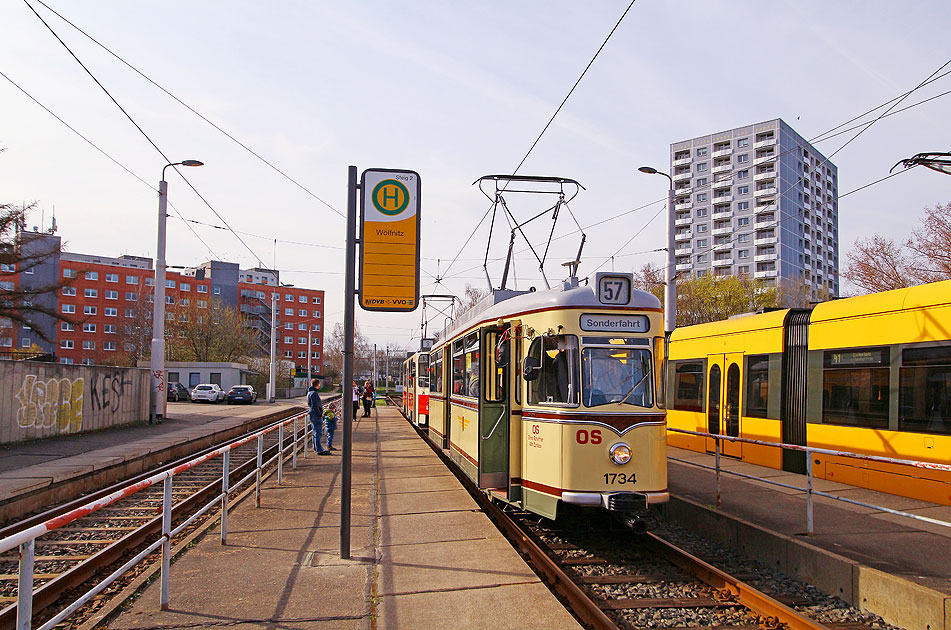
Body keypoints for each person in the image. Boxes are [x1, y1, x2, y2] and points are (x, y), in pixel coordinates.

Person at [307, 378, 330, 456]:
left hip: (312, 414)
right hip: (316, 415)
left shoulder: (309, 393)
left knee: (315, 432)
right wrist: (320, 413)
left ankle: (316, 448)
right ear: (317, 384)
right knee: (318, 432)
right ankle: (319, 450)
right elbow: (315, 405)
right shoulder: (314, 393)